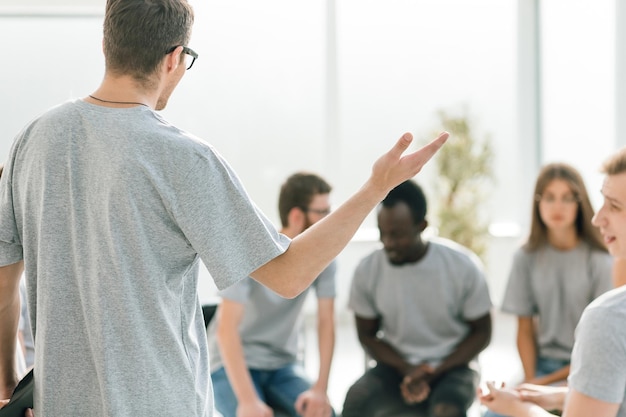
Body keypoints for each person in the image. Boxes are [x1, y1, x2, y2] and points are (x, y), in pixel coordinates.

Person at [0, 0, 448, 415]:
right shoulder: (182, 158)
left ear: (106, 44)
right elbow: (288, 274)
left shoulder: (31, 141)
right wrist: (376, 187)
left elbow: (3, 290)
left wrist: (11, 386)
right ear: (174, 58)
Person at [478, 148, 626, 417]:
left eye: (614, 206)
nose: (598, 219)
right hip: (550, 367)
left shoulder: (606, 304)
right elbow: (524, 329)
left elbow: (601, 358)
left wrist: (520, 406)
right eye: (550, 198)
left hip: (583, 364)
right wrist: (536, 384)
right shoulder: (526, 257)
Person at [342, 180, 492, 417]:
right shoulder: (367, 270)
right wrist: (408, 369)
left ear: (421, 225)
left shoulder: (462, 266)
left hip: (454, 367)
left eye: (397, 235)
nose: (388, 244)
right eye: (383, 234)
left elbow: (482, 332)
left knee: (446, 411)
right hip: (396, 365)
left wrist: (434, 371)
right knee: (356, 401)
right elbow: (367, 335)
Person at [208, 172, 337, 417]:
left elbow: (326, 322)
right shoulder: (250, 252)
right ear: (297, 216)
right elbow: (226, 332)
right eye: (322, 213)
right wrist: (248, 402)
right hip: (230, 365)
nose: (330, 221)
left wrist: (321, 389)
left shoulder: (325, 259)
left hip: (282, 365)